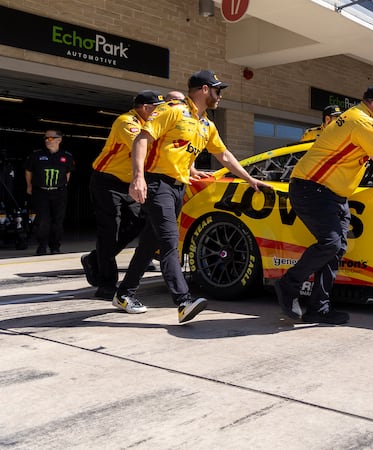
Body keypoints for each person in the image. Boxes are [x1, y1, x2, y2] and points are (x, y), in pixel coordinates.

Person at [114, 70, 270, 323]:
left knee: (149, 244)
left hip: (178, 187)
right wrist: (138, 177)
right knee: (169, 244)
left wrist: (249, 179)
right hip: (157, 183)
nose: (220, 96)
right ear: (204, 89)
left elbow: (225, 156)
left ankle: (124, 293)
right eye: (218, 90)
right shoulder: (172, 111)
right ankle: (183, 300)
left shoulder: (206, 124)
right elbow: (142, 139)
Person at [275, 83, 373, 325]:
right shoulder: (362, 122)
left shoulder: (368, 122)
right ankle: (289, 284)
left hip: (332, 194)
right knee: (330, 243)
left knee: (336, 249)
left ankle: (319, 308)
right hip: (312, 188)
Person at [82, 90, 165, 299]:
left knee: (138, 223)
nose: (161, 114)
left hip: (129, 183)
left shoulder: (151, 125)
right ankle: (106, 284)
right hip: (106, 181)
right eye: (158, 109)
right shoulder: (126, 122)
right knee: (109, 230)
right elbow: (145, 148)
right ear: (145, 108)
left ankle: (95, 258)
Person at [24, 129, 75, 255]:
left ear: (59, 140)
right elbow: (28, 171)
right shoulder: (36, 155)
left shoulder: (67, 156)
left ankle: (55, 247)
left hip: (59, 192)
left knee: (58, 221)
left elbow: (68, 173)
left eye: (50, 138)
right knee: (43, 220)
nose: (47, 140)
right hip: (41, 192)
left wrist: (63, 186)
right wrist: (29, 186)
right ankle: (42, 246)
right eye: (46, 138)